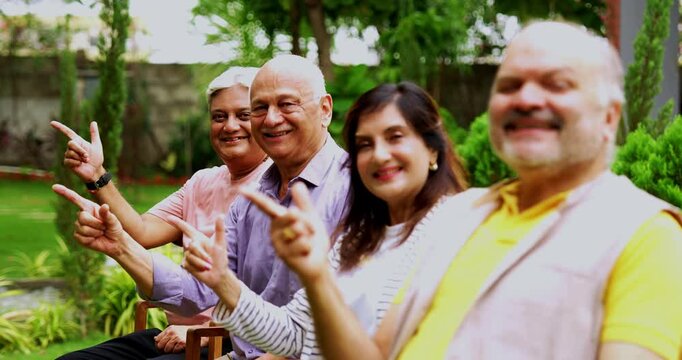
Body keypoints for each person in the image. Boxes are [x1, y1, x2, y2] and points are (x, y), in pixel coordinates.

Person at [290, 21, 682, 360]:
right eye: (510, 86)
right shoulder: (460, 215)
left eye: (557, 84)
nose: (527, 99)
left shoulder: (646, 235)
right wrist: (317, 277)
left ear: (609, 116)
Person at [56, 54, 351, 360]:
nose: (271, 118)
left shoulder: (353, 189)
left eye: (287, 104)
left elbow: (348, 314)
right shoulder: (251, 198)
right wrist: (120, 246)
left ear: (325, 109)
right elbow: (201, 289)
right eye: (261, 108)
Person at [175, 82, 468, 359]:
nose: (379, 155)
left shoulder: (456, 231)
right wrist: (223, 281)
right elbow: (290, 334)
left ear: (432, 149)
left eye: (395, 137)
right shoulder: (358, 239)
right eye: (364, 144)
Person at [53, 66, 270, 359]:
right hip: (177, 335)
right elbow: (142, 232)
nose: (229, 126)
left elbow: (271, 290)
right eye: (219, 117)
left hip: (230, 340)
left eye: (243, 115)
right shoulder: (203, 182)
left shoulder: (275, 187)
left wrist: (206, 331)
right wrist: (96, 175)